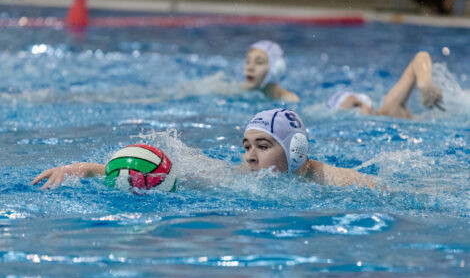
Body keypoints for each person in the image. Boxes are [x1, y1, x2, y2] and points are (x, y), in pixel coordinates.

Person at [31, 109, 375, 190]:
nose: (250, 155)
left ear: (296, 150)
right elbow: (171, 172)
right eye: (247, 146)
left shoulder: (336, 180)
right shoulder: (244, 176)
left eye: (264, 145)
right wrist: (83, 168)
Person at [326, 51, 444, 119]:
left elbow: (421, 56)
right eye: (351, 110)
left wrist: (424, 85)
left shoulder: (390, 108)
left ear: (369, 104)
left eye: (357, 105)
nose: (360, 111)